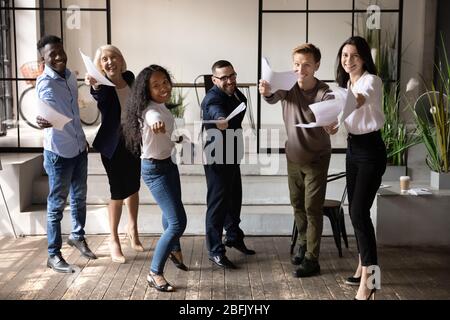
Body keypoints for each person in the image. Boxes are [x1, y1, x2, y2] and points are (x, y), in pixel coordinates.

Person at [259, 44, 337, 277]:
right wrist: (266, 91)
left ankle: (313, 259)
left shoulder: (324, 91)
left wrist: (331, 124)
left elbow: (332, 116)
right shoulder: (288, 85)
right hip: (293, 156)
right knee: (297, 204)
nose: (300, 69)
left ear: (316, 66)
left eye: (306, 64)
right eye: (296, 64)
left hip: (317, 158)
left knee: (312, 208)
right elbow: (273, 98)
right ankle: (303, 242)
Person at [122, 65, 187, 292]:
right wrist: (155, 124)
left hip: (168, 164)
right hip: (154, 170)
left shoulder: (162, 106)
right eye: (156, 85)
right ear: (146, 90)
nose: (163, 88)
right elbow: (153, 119)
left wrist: (176, 140)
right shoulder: (151, 111)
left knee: (171, 215)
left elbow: (165, 132)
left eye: (165, 82)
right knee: (178, 222)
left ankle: (175, 250)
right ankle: (154, 273)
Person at [35, 35, 97, 273]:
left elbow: (72, 113)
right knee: (56, 205)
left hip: (79, 148)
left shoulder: (71, 76)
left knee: (80, 198)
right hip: (58, 153)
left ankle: (78, 236)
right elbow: (40, 114)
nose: (59, 56)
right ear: (43, 58)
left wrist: (82, 139)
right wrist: (40, 120)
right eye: (53, 54)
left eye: (61, 51)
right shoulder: (44, 83)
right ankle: (53, 255)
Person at [335, 36, 386, 300]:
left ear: (364, 58)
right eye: (345, 55)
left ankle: (372, 282)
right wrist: (333, 121)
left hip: (371, 151)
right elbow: (345, 110)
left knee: (359, 213)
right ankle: (362, 267)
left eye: (354, 55)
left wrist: (339, 109)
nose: (349, 60)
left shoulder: (371, 81)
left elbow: (359, 101)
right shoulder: (345, 82)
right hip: (353, 148)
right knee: (355, 210)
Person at [85, 45, 142, 264]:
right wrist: (95, 85)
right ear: (100, 65)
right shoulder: (102, 86)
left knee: (134, 187)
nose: (109, 62)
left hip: (133, 142)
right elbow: (97, 94)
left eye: (113, 57)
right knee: (118, 192)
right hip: (113, 146)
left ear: (120, 59)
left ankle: (133, 228)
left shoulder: (130, 78)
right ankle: (114, 239)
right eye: (104, 59)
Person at [201, 60, 255, 270]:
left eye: (232, 75)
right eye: (223, 78)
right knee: (217, 205)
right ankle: (215, 250)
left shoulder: (236, 92)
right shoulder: (212, 98)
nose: (229, 80)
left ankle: (233, 236)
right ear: (214, 80)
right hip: (217, 157)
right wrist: (220, 119)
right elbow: (215, 110)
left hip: (233, 153)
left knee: (234, 198)